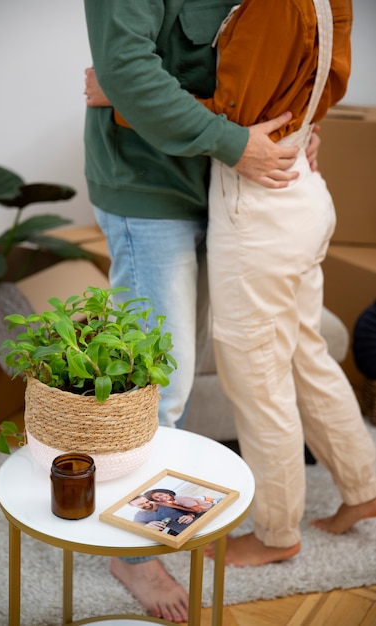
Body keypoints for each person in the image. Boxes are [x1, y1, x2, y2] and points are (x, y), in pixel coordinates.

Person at [82, 2, 319, 621]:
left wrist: (296, 130)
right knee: (164, 382)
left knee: (183, 374)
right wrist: (232, 138)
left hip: (224, 183)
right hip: (150, 186)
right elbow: (129, 70)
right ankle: (130, 556)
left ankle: (151, 518)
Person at [199, 0, 376, 568]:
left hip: (260, 209)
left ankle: (276, 534)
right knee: (304, 355)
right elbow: (324, 86)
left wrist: (123, 103)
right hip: (302, 188)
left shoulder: (272, 5)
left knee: (257, 377)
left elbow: (232, 116)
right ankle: (365, 487)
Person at [129, 495, 199, 535]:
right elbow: (137, 531)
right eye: (141, 504)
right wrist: (146, 527)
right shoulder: (139, 517)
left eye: (147, 501)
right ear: (132, 506)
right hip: (185, 534)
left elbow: (191, 509)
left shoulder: (164, 503)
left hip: (198, 523)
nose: (147, 505)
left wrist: (190, 515)